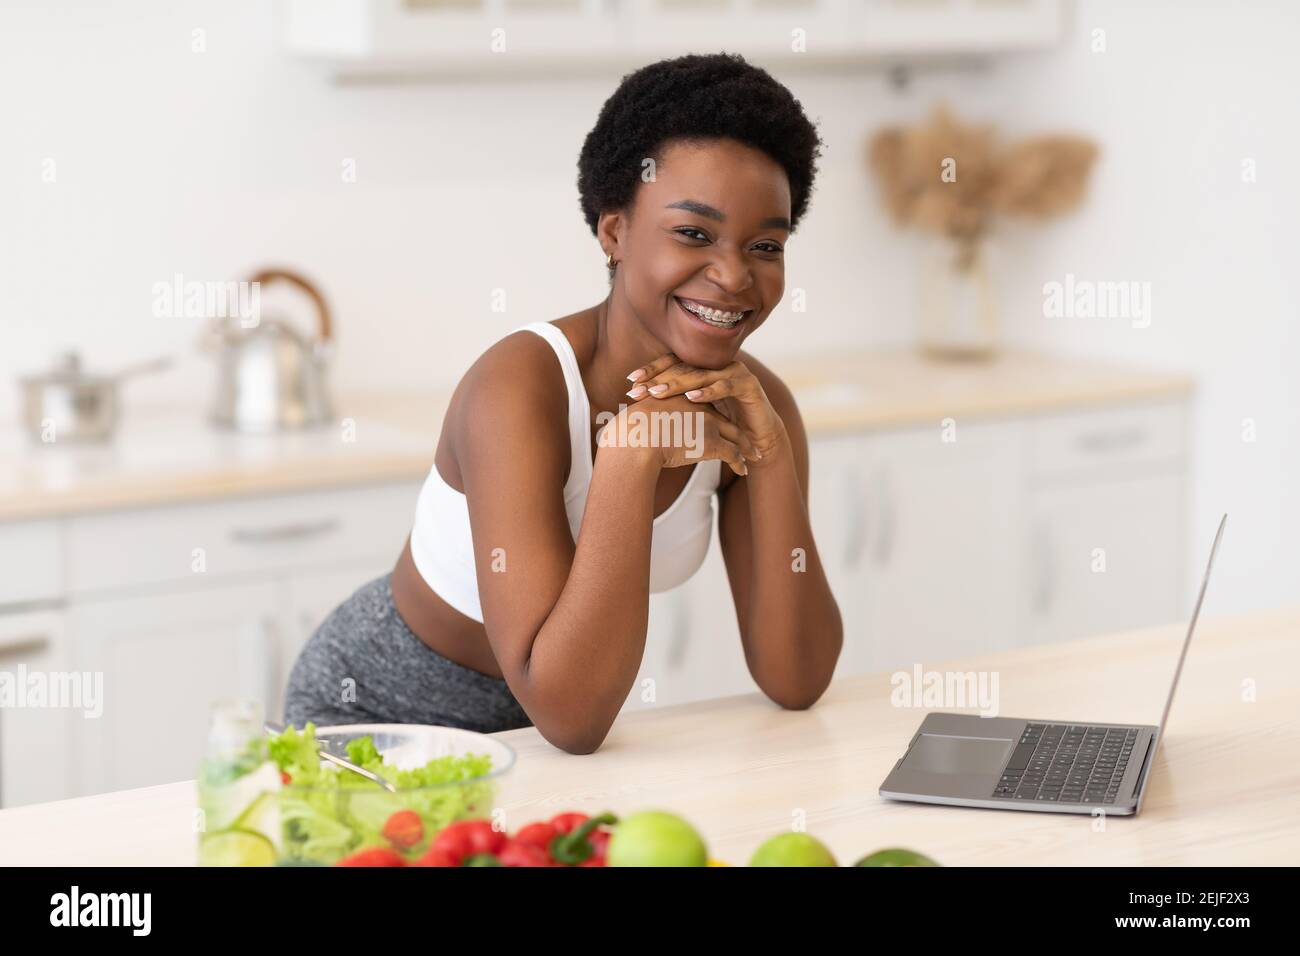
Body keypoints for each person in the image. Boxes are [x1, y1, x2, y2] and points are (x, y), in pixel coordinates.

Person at [285, 52, 842, 754]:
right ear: (615, 231)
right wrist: (630, 457)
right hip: (378, 717)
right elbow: (571, 714)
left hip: (539, 748)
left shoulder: (755, 408)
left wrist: (769, 458)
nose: (733, 275)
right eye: (694, 234)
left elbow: (798, 679)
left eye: (765, 244)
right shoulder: (519, 387)